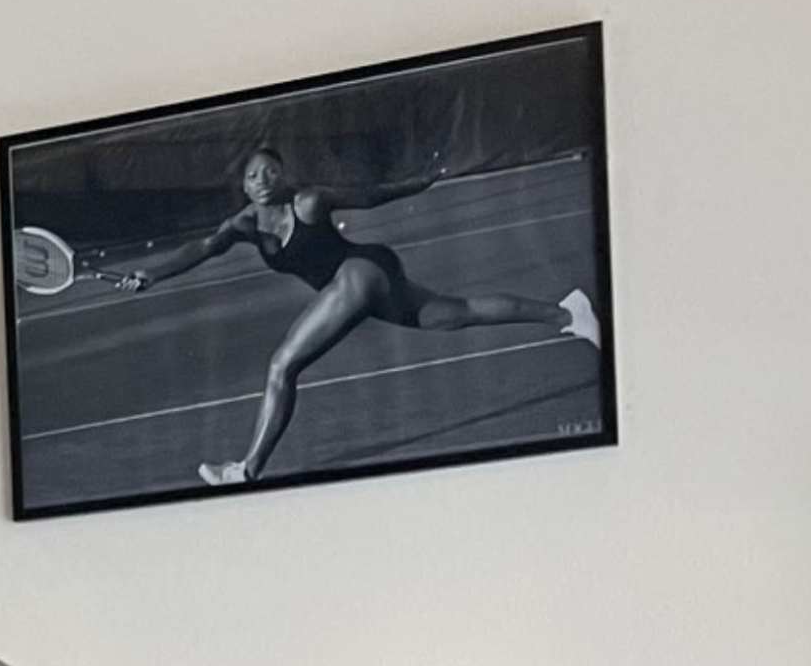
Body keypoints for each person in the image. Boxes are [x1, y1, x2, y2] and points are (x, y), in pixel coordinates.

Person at [102, 143, 600, 485]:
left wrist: (422, 181)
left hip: (362, 272)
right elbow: (199, 248)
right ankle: (567, 316)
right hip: (363, 284)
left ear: (283, 174)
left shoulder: (309, 201)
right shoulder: (244, 225)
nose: (260, 179)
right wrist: (151, 274)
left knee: (282, 365)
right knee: (456, 314)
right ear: (243, 183)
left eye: (269, 170)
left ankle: (247, 469)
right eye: (252, 174)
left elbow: (369, 194)